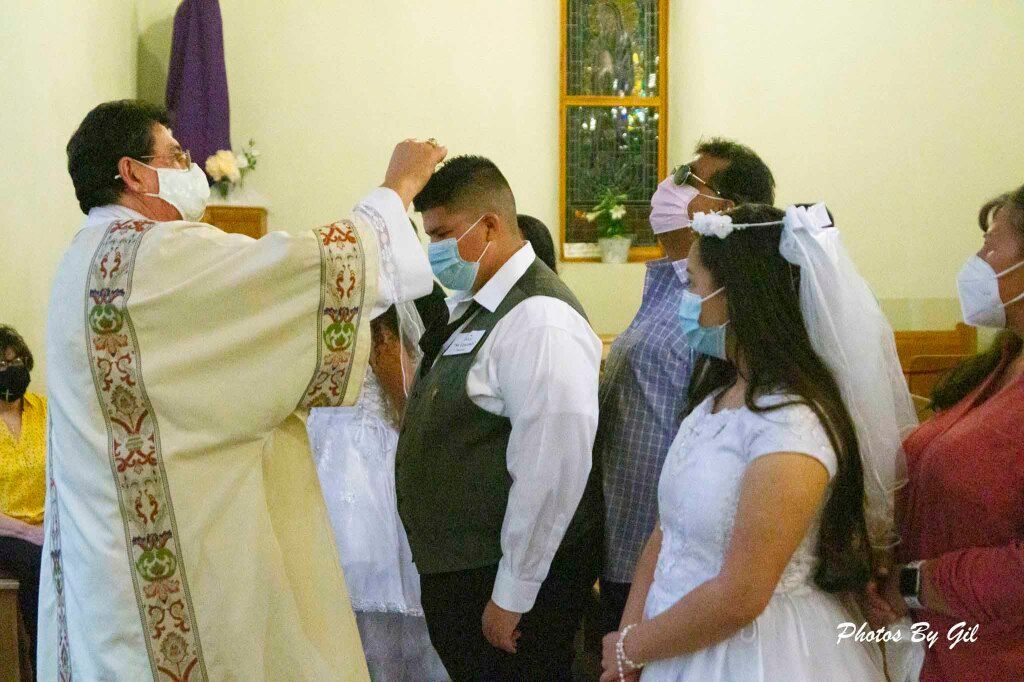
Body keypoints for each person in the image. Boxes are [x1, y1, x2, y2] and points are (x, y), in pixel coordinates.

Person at [37, 99, 444, 680]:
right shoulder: (153, 256)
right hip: (167, 587)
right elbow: (300, 271)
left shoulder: (79, 261)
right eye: (175, 154)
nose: (190, 167)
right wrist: (394, 190)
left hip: (104, 574)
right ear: (133, 173)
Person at [601, 204, 916, 681]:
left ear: (738, 297)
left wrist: (633, 647)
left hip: (756, 652)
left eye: (692, 283)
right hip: (671, 636)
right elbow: (666, 533)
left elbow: (743, 594)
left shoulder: (794, 426)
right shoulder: (717, 397)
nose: (685, 299)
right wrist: (628, 638)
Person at [396, 155, 603, 680]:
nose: (434, 251)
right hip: (467, 573)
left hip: (503, 583)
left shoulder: (540, 317)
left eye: (442, 234)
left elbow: (550, 470)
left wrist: (514, 592)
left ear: (489, 224)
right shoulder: (478, 306)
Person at [597, 138, 776, 634]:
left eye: (687, 181)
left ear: (727, 210)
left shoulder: (723, 310)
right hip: (629, 539)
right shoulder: (670, 287)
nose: (667, 189)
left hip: (679, 553)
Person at [865, 186, 1024, 680]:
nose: (977, 259)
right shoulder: (1000, 363)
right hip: (937, 643)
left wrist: (915, 581)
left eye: (992, 246)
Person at [307, 299, 446, 681]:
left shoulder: (324, 316)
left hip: (328, 459)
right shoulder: (379, 327)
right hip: (364, 465)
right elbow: (405, 400)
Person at [0, 325, 46, 667]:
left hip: (50, 524)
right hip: (8, 531)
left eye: (14, 363)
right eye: (0, 366)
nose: (9, 372)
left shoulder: (44, 410)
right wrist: (30, 532)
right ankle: (42, 660)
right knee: (36, 564)